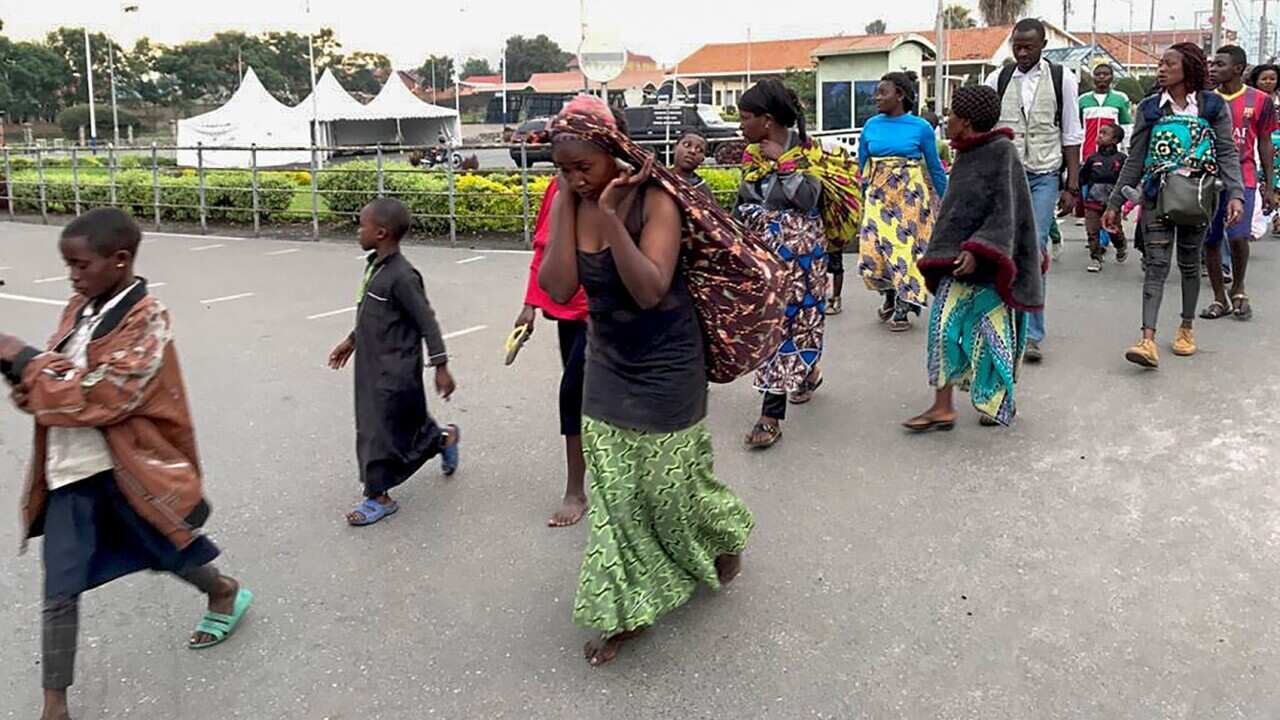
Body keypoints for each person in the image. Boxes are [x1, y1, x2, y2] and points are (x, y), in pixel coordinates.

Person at [0, 208, 251, 720]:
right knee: (59, 588)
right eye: (67, 265)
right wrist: (23, 379)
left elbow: (108, 393)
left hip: (130, 471)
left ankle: (223, 590)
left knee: (168, 552)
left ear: (119, 261)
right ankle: (55, 706)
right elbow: (53, 382)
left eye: (80, 264)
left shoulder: (149, 319)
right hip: (70, 474)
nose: (72, 276)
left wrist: (28, 364)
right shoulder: (78, 308)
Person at [537, 95, 755, 666]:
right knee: (614, 496)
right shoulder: (569, 199)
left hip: (667, 362)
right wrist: (565, 204)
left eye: (582, 166)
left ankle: (723, 531)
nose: (574, 177)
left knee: (669, 487)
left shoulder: (656, 199)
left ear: (613, 154)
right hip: (607, 362)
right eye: (563, 168)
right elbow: (558, 288)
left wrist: (610, 217)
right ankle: (624, 609)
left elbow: (650, 289)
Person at [902, 86, 1043, 431]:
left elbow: (1006, 209)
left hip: (990, 264)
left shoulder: (1002, 152)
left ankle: (996, 401)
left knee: (994, 335)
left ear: (964, 121)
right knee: (943, 331)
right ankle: (943, 406)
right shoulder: (966, 154)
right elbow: (959, 210)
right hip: (956, 263)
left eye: (950, 115)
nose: (946, 120)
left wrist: (977, 248)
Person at [736, 79, 862, 448]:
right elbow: (746, 199)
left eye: (745, 118)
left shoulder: (810, 154)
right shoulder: (751, 155)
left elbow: (808, 199)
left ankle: (769, 415)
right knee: (773, 324)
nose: (741, 126)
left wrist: (785, 164)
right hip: (764, 256)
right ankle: (807, 373)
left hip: (802, 256)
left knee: (789, 324)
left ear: (768, 120)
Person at [1103, 43, 1245, 368]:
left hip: (1198, 196)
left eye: (1169, 64)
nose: (1161, 69)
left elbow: (1225, 152)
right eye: (1160, 64)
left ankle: (1186, 328)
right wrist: (1115, 202)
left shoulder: (1212, 106)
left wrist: (1235, 193)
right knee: (1155, 265)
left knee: (1190, 264)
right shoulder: (1151, 108)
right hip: (1156, 196)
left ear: (1188, 68)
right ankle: (1147, 339)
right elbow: (1135, 158)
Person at [328, 198, 460, 526]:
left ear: (382, 233)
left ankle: (378, 497)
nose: (358, 231)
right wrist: (351, 340)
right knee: (402, 425)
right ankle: (443, 439)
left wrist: (441, 366)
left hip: (396, 370)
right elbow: (372, 314)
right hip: (371, 366)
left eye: (363, 226)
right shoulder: (376, 266)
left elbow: (426, 321)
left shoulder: (402, 276)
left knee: (377, 432)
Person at [985, 17, 1084, 363]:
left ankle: (1031, 333)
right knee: (1003, 248)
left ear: (1043, 45)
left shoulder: (1063, 79)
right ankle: (1003, 321)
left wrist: (1072, 185)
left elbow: (1072, 134)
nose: (1023, 52)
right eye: (1018, 46)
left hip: (1044, 174)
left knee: (1033, 247)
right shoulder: (996, 79)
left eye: (1029, 46)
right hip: (1006, 177)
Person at [513, 178, 592, 527]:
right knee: (580, 398)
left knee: (572, 391)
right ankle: (581, 486)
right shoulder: (558, 187)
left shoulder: (627, 185)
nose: (571, 170)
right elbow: (543, 246)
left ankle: (578, 489)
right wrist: (530, 304)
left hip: (610, 314)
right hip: (568, 308)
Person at [856, 71, 949, 331]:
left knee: (904, 251)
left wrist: (949, 200)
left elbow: (935, 168)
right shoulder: (871, 125)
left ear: (900, 95)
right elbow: (862, 163)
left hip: (909, 196)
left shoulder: (921, 128)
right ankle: (890, 294)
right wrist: (861, 196)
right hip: (877, 194)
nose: (876, 97)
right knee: (874, 252)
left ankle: (903, 306)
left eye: (882, 92)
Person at [1201, 45, 1275, 322]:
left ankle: (1239, 287)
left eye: (1220, 64)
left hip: (1243, 176)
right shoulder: (1206, 100)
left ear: (1238, 69)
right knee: (1210, 240)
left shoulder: (1260, 100)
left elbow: (1266, 143)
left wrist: (1269, 184)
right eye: (1212, 64)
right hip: (1208, 178)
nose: (1213, 69)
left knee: (1238, 235)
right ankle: (1219, 297)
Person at [1080, 123, 1129, 272]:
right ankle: (1095, 258)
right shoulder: (1092, 159)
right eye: (1099, 132)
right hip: (1093, 200)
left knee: (1113, 229)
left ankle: (1120, 245)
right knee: (1092, 230)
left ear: (1115, 140)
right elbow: (1083, 178)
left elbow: (1127, 180)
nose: (1099, 136)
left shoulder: (1122, 159)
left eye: (1104, 133)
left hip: (1112, 202)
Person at [1079, 63, 1135, 160]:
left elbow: (1126, 126)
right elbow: (1077, 127)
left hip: (1112, 157)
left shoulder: (1121, 98)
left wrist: (1127, 149)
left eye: (1106, 74)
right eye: (1098, 74)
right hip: (1086, 154)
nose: (1101, 77)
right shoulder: (1082, 99)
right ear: (1093, 77)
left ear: (1112, 77)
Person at [672, 130, 716, 201]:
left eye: (699, 150)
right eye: (687, 145)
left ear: (702, 159)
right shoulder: (660, 178)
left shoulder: (703, 191)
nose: (692, 151)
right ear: (674, 148)